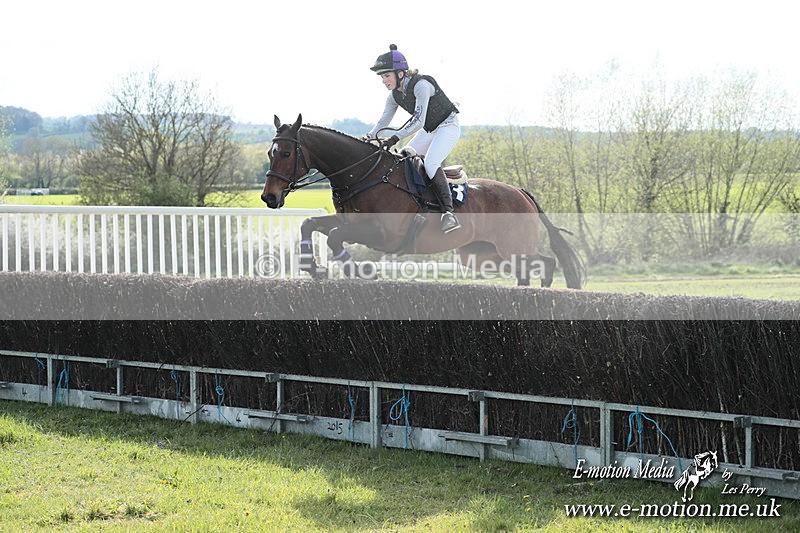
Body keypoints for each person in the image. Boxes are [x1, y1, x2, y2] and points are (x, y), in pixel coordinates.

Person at [367, 44, 461, 233]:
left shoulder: (422, 85)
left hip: (448, 127)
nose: (384, 81)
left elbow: (418, 121)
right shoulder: (394, 96)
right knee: (405, 157)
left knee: (431, 164)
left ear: (400, 73)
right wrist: (368, 137)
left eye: (386, 76)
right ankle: (419, 202)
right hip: (430, 130)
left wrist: (394, 138)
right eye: (382, 77)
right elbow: (383, 120)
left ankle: (448, 213)